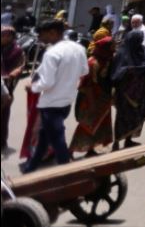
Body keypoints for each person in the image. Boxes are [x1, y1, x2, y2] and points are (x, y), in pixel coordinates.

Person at [21, 20, 89, 173]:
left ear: (53, 32)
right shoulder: (78, 48)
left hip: (51, 104)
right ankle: (31, 166)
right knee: (44, 136)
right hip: (66, 101)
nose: (39, 38)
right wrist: (67, 77)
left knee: (58, 139)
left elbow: (46, 83)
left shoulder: (52, 53)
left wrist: (31, 87)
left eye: (42, 34)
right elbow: (84, 71)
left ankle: (67, 173)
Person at [70, 37, 115, 156]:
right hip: (91, 99)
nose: (113, 49)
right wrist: (93, 103)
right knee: (87, 125)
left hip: (103, 99)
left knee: (98, 125)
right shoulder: (92, 63)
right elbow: (85, 85)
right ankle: (70, 150)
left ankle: (91, 149)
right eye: (111, 46)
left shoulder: (107, 60)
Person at [111, 30, 145, 150]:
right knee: (122, 117)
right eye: (137, 39)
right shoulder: (122, 53)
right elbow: (116, 73)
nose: (139, 42)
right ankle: (117, 142)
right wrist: (128, 70)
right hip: (125, 93)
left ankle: (129, 140)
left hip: (140, 91)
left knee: (136, 116)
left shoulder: (143, 51)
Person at [1, 25, 25, 156]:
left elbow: (21, 65)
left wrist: (14, 73)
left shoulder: (17, 50)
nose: (3, 38)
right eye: (2, 35)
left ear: (11, 37)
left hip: (6, 85)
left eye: (6, 35)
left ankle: (2, 141)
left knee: (3, 114)